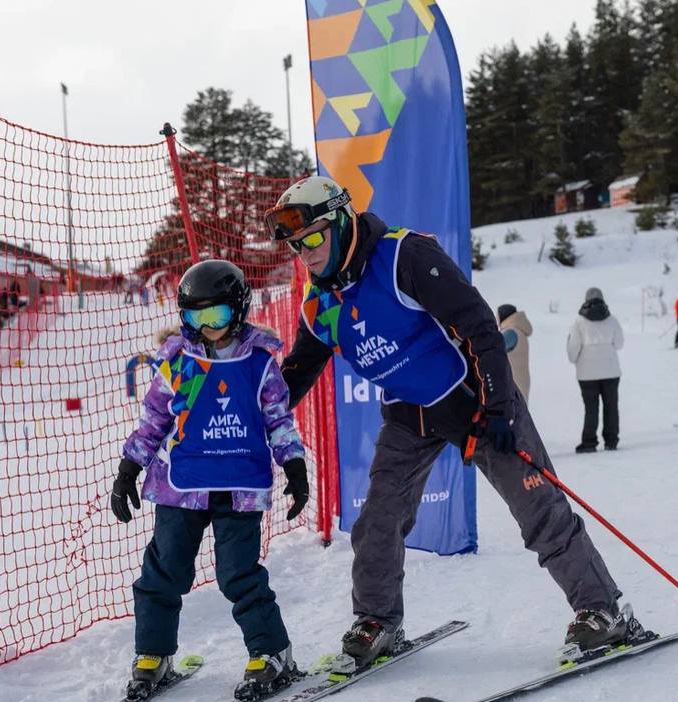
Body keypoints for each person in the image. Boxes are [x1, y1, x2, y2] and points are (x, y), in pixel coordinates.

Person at [268, 176, 641, 666]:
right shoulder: (321, 303)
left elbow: (479, 325)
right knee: (378, 518)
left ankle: (602, 609)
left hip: (473, 402)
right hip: (408, 415)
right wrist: (257, 419)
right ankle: (377, 620)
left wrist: (498, 410)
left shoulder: (405, 257)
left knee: (539, 510)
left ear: (341, 221)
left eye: (313, 237)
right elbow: (294, 375)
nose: (306, 252)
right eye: (297, 245)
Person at [109, 259, 309, 701]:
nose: (208, 326)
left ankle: (272, 652)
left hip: (239, 488)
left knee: (239, 574)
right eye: (197, 317)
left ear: (237, 310)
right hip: (181, 485)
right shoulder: (177, 362)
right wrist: (129, 468)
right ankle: (153, 654)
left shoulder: (259, 364)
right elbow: (153, 421)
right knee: (162, 572)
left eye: (216, 315)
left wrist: (294, 466)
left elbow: (278, 421)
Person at [566, 288, 623, 453]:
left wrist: (576, 360)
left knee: (591, 407)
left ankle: (589, 442)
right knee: (611, 406)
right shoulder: (612, 320)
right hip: (611, 371)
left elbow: (573, 348)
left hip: (587, 372)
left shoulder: (578, 322)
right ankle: (611, 440)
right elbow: (619, 343)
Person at [497, 304, 532, 401]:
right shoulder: (517, 331)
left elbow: (493, 348)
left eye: (498, 316)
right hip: (519, 383)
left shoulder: (510, 333)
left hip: (513, 386)